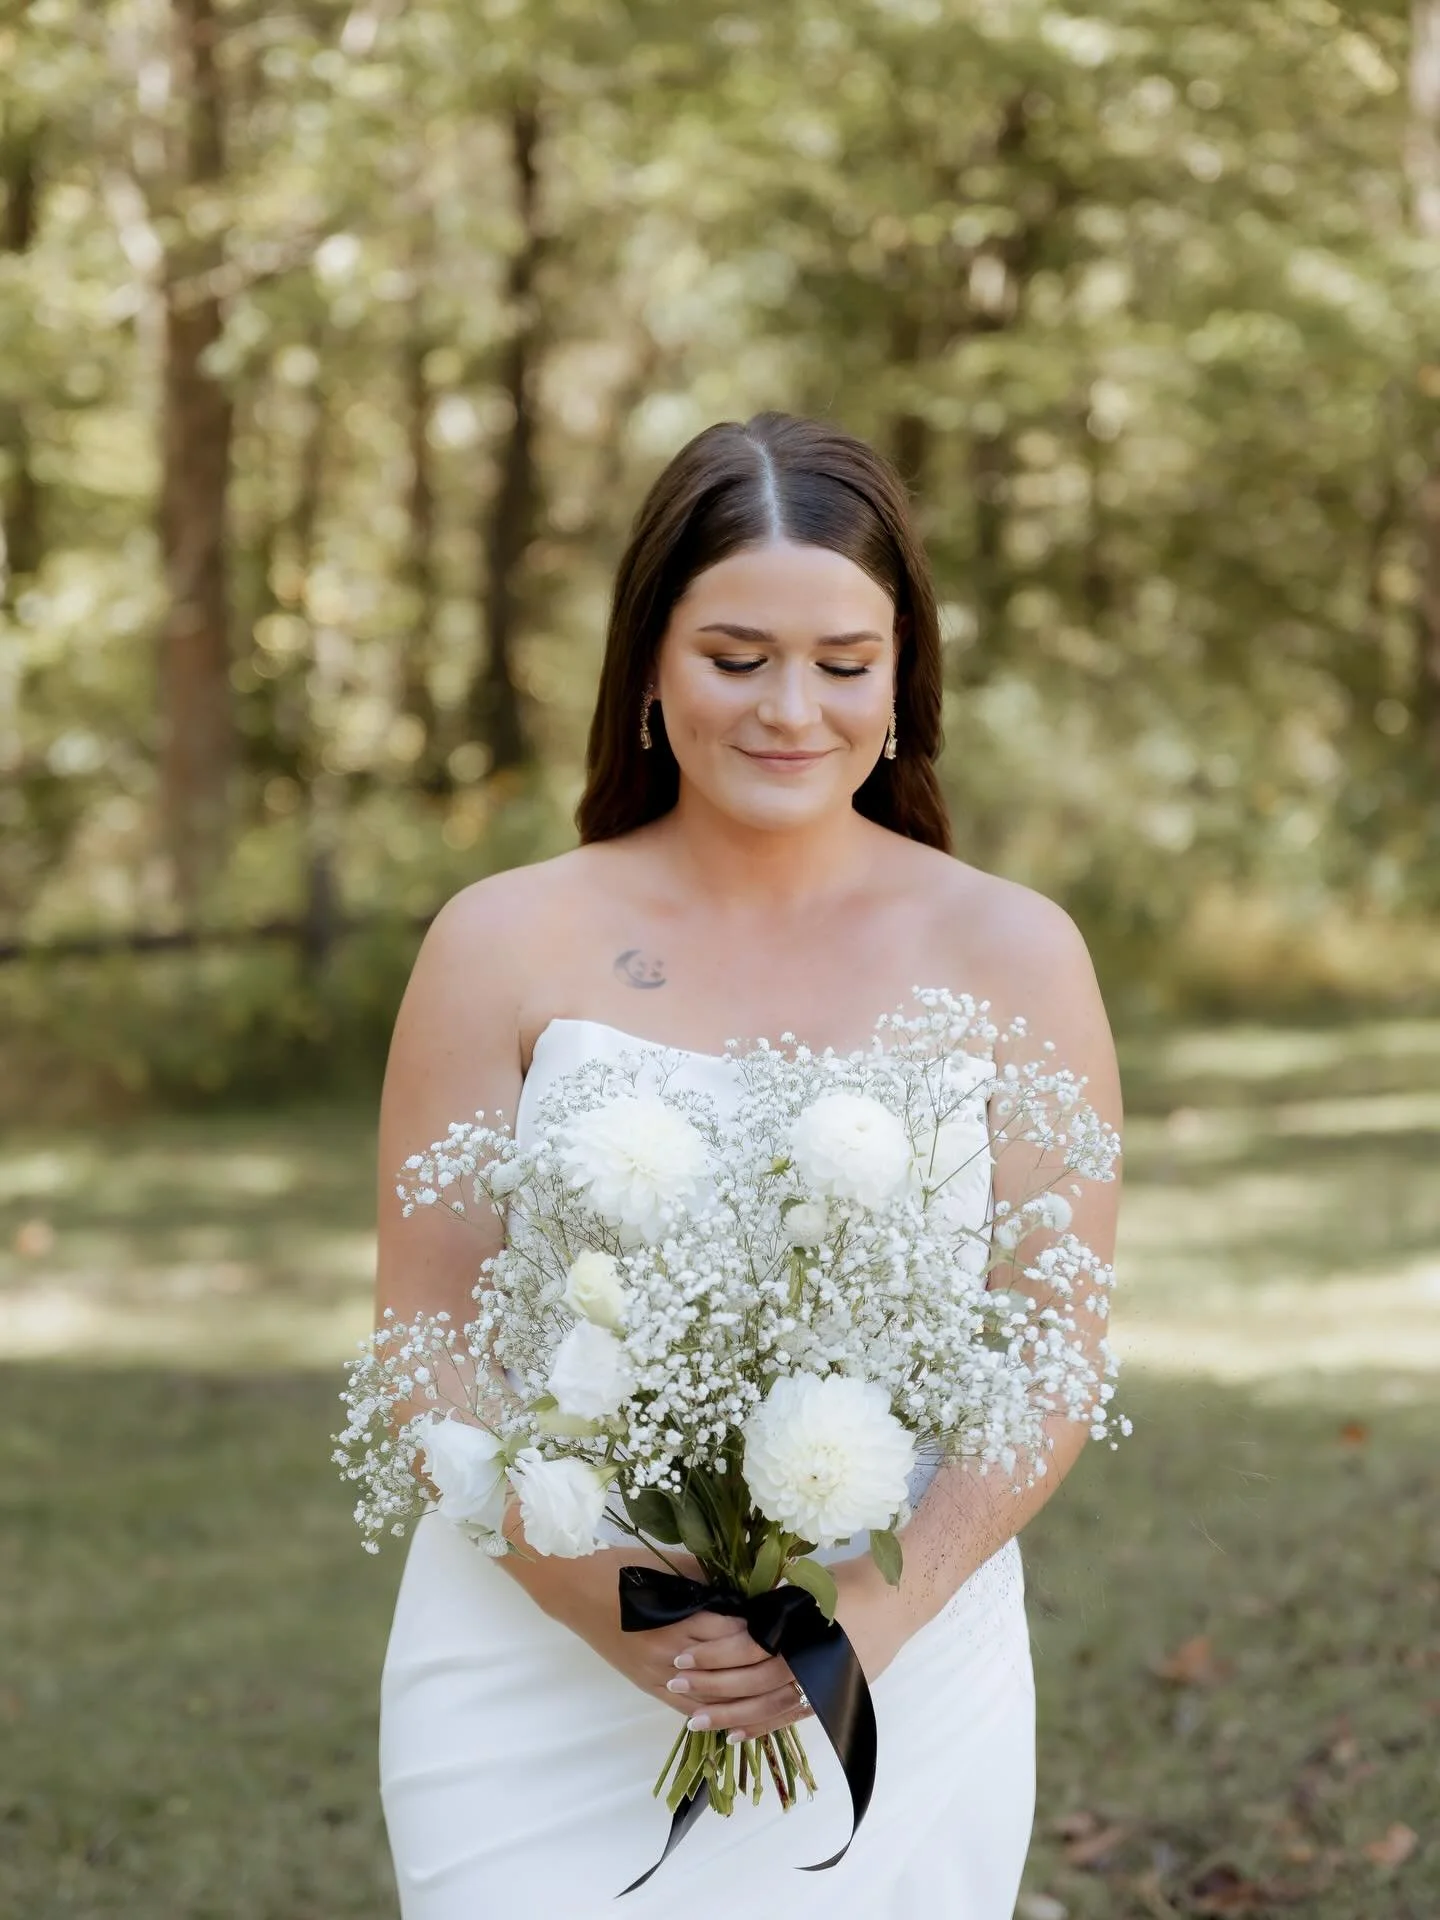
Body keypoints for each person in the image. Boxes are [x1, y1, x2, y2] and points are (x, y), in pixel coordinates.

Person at [374, 411, 1123, 1917]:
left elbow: (1055, 1351)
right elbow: (426, 1339)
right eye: (737, 656)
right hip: (535, 1650)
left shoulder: (1014, 952)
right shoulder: (501, 939)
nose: (794, 709)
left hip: (896, 1660)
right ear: (648, 664)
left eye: (845, 663)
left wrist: (853, 1623)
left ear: (903, 678)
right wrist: (617, 1608)